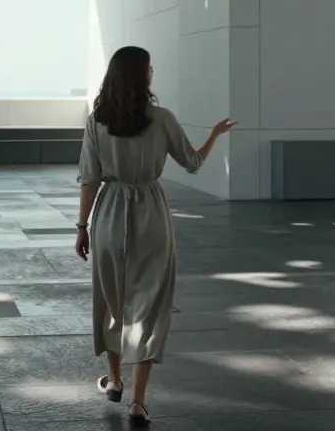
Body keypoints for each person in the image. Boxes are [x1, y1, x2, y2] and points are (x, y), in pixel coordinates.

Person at [74, 46, 236, 428]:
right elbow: (193, 163)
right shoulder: (162, 119)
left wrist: (82, 227)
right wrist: (213, 135)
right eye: (150, 68)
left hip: (110, 213)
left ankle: (113, 380)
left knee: (112, 299)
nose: (153, 73)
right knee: (150, 305)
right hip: (151, 215)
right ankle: (138, 402)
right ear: (142, 76)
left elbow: (89, 180)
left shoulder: (97, 121)